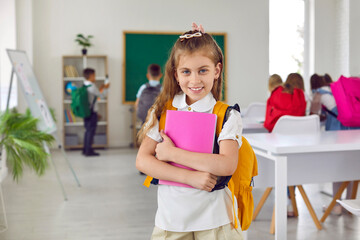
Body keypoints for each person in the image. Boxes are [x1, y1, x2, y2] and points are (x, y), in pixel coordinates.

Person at [136, 23, 244, 239]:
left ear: (217, 70)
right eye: (186, 72)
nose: (194, 80)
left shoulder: (227, 115)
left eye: (202, 70)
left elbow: (226, 164)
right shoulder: (161, 111)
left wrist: (172, 154)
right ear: (176, 74)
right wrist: (190, 177)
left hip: (216, 220)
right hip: (171, 220)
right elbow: (143, 161)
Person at [310, 74, 358, 215]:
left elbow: (313, 114)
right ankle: (350, 203)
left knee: (337, 169)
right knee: (352, 168)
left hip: (337, 134)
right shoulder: (341, 90)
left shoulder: (319, 93)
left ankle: (336, 206)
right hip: (354, 130)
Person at [82, 68, 110, 157]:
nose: (95, 77)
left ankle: (85, 149)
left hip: (85, 111)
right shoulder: (92, 86)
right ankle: (89, 151)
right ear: (91, 76)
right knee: (91, 131)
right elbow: (101, 96)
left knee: (87, 131)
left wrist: (101, 88)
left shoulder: (84, 85)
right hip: (92, 112)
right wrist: (105, 88)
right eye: (94, 75)